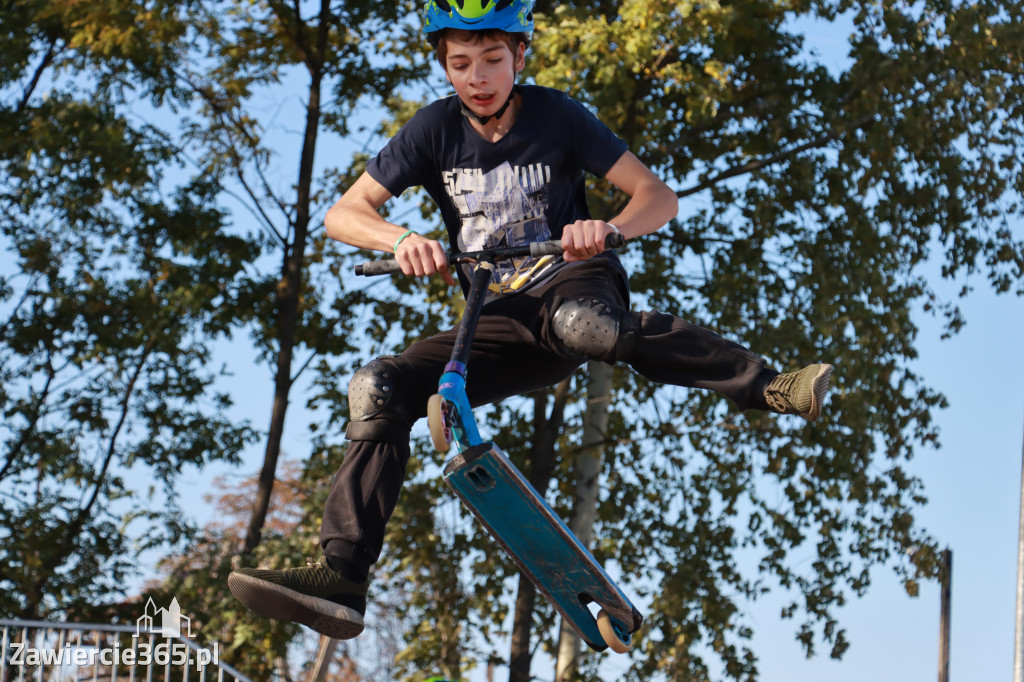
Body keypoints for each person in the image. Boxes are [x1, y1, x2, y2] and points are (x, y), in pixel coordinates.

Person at [227, 0, 833, 641]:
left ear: (520, 57)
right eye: (461, 64)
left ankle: (766, 384)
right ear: (445, 65)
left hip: (573, 285)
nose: (478, 78)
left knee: (585, 326)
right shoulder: (432, 130)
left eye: (493, 60)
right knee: (378, 386)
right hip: (497, 315)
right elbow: (343, 213)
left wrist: (609, 228)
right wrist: (399, 238)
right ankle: (343, 577)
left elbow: (659, 197)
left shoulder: (559, 117)